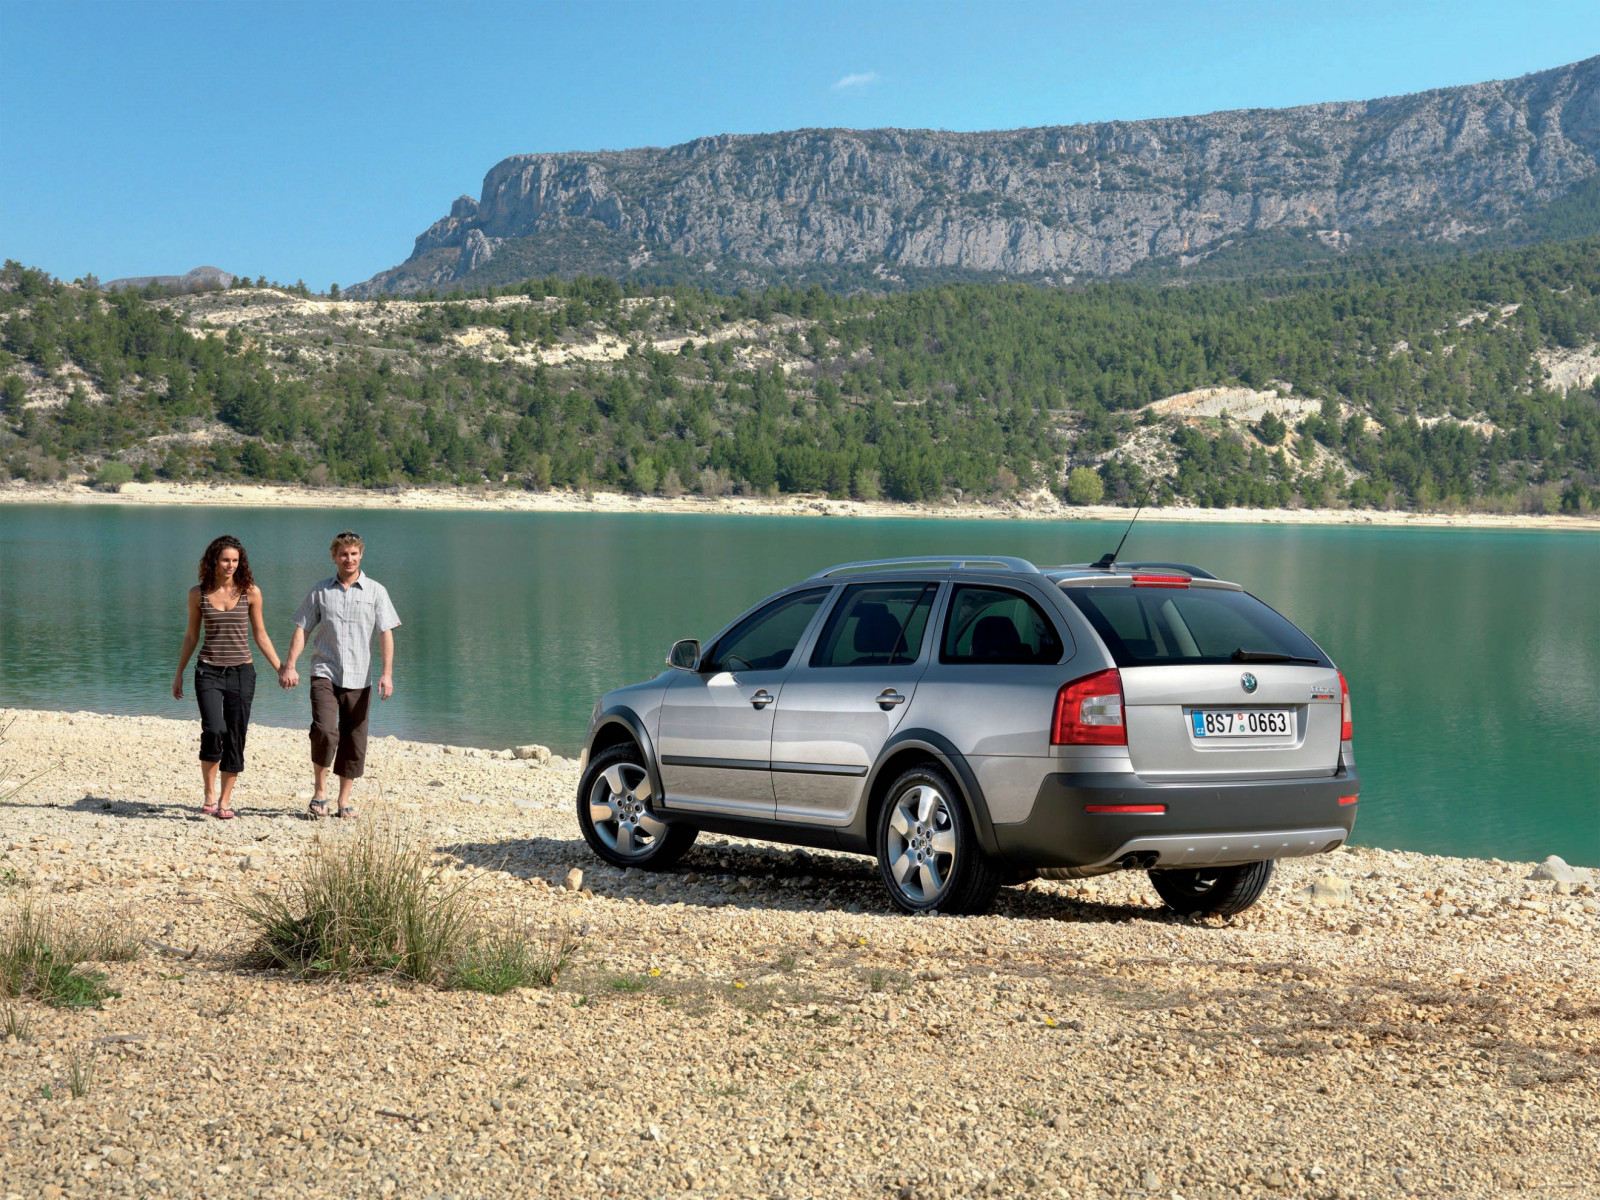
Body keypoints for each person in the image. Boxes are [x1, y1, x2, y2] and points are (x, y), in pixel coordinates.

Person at [278, 531, 401, 819]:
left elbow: (385, 633)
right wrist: (290, 665)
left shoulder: (376, 591)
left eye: (354, 554)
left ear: (361, 556)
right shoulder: (320, 591)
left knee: (354, 739)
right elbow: (303, 628)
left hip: (361, 676)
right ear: (334, 557)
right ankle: (320, 791)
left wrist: (387, 674)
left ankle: (344, 799)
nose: (349, 559)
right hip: (324, 671)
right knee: (324, 730)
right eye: (343, 554)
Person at [172, 535, 282, 820]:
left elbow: (260, 635)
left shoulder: (251, 592)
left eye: (235, 560)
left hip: (242, 672)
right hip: (208, 670)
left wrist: (281, 668)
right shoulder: (198, 594)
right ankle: (209, 794)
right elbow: (191, 636)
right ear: (213, 561)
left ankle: (224, 801)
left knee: (235, 735)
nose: (230, 565)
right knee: (214, 729)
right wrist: (179, 673)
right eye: (225, 560)